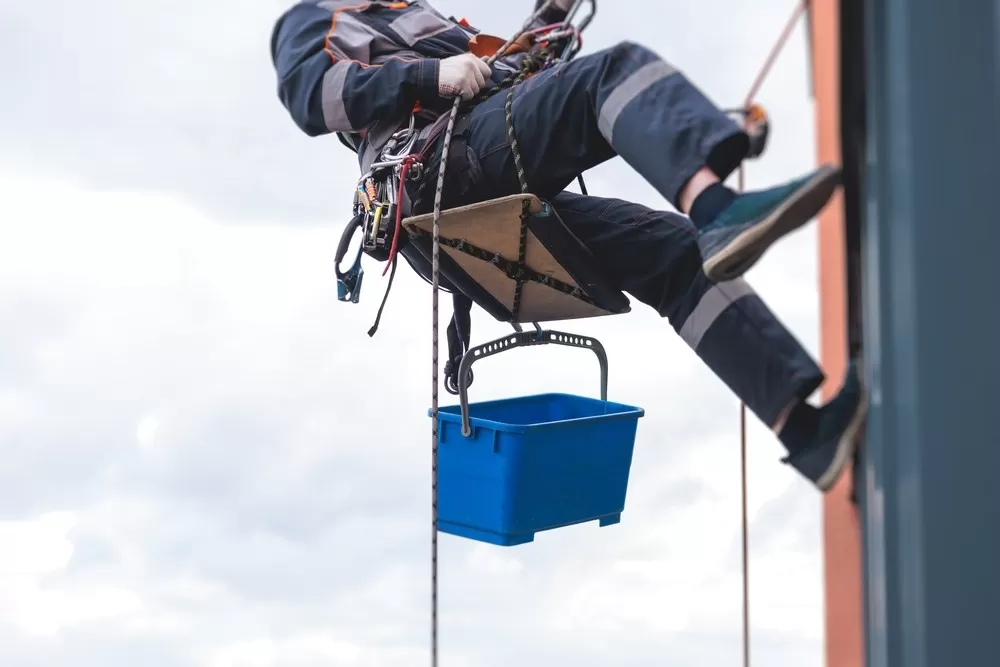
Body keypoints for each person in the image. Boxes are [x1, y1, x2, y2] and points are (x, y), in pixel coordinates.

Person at [269, 0, 867, 492]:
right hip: (434, 169)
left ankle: (806, 433)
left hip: (462, 179)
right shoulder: (318, 15)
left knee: (679, 255)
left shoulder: (423, 20)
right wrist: (431, 75)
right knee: (612, 74)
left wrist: (544, 26)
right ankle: (718, 210)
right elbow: (309, 94)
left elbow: (506, 75)